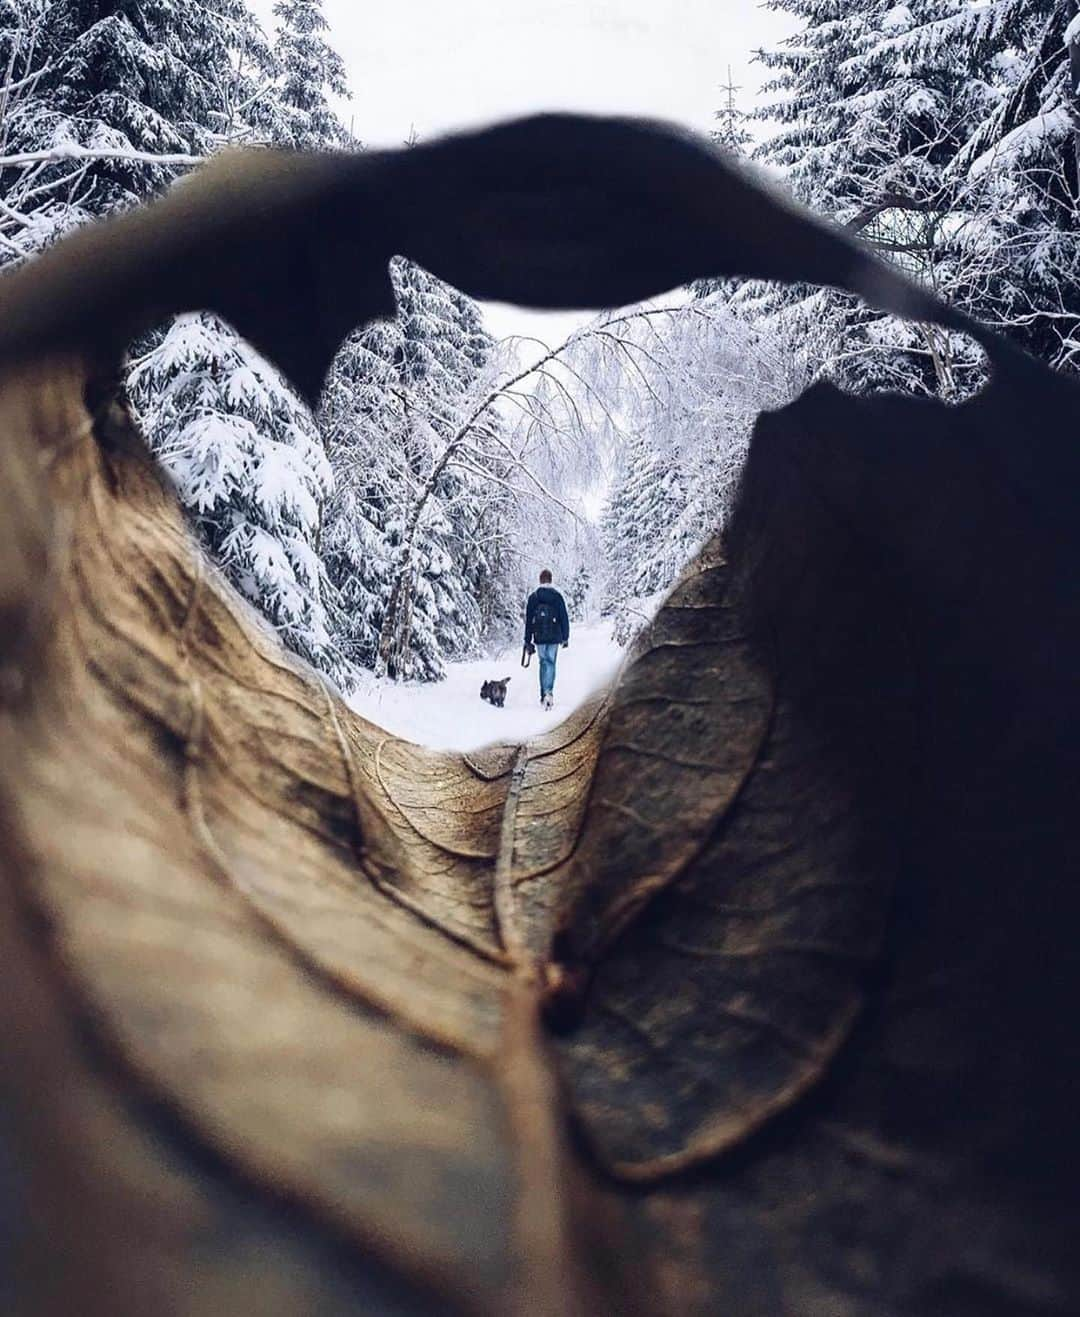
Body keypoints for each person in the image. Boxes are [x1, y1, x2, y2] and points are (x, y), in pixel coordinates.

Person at [524, 569, 570, 709]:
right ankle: (549, 692)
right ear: (550, 580)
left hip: (539, 637)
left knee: (543, 663)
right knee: (551, 663)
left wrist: (527, 639)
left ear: (540, 580)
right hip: (554, 636)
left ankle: (543, 694)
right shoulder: (557, 597)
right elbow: (564, 617)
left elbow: (529, 620)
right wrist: (565, 637)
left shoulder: (534, 597)